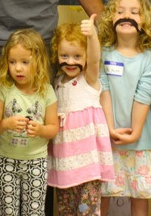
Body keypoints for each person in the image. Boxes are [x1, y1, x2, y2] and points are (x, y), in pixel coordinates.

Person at [97, 0, 151, 216]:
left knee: (139, 196)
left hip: (141, 141)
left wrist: (134, 133)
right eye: (120, 11)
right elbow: (103, 91)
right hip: (109, 139)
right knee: (103, 193)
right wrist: (109, 129)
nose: (126, 16)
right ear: (111, 18)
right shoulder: (103, 53)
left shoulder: (150, 58)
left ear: (143, 21)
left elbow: (144, 96)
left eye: (134, 12)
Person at [48, 15, 115, 215]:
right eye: (64, 56)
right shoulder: (57, 81)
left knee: (87, 211)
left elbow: (94, 59)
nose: (70, 62)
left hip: (88, 164)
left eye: (77, 56)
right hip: (65, 163)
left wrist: (92, 37)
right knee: (66, 210)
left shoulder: (89, 79)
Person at [0, 29, 59, 216]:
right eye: (12, 62)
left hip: (36, 162)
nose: (18, 68)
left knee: (34, 212)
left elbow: (54, 129)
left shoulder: (47, 91)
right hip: (5, 161)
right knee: (7, 211)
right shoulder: (4, 89)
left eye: (25, 62)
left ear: (39, 61)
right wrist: (6, 124)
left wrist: (41, 129)